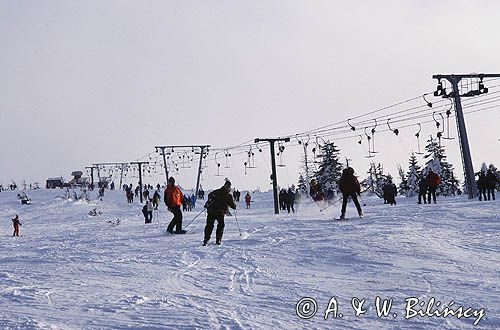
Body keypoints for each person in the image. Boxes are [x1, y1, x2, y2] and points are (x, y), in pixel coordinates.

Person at [203, 180, 236, 246]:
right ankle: (215, 239)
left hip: (215, 212)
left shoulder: (219, 193)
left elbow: (233, 206)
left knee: (212, 225)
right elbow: (233, 206)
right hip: (216, 212)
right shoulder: (225, 195)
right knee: (216, 225)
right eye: (227, 186)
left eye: (228, 187)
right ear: (224, 186)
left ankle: (209, 239)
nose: (228, 188)